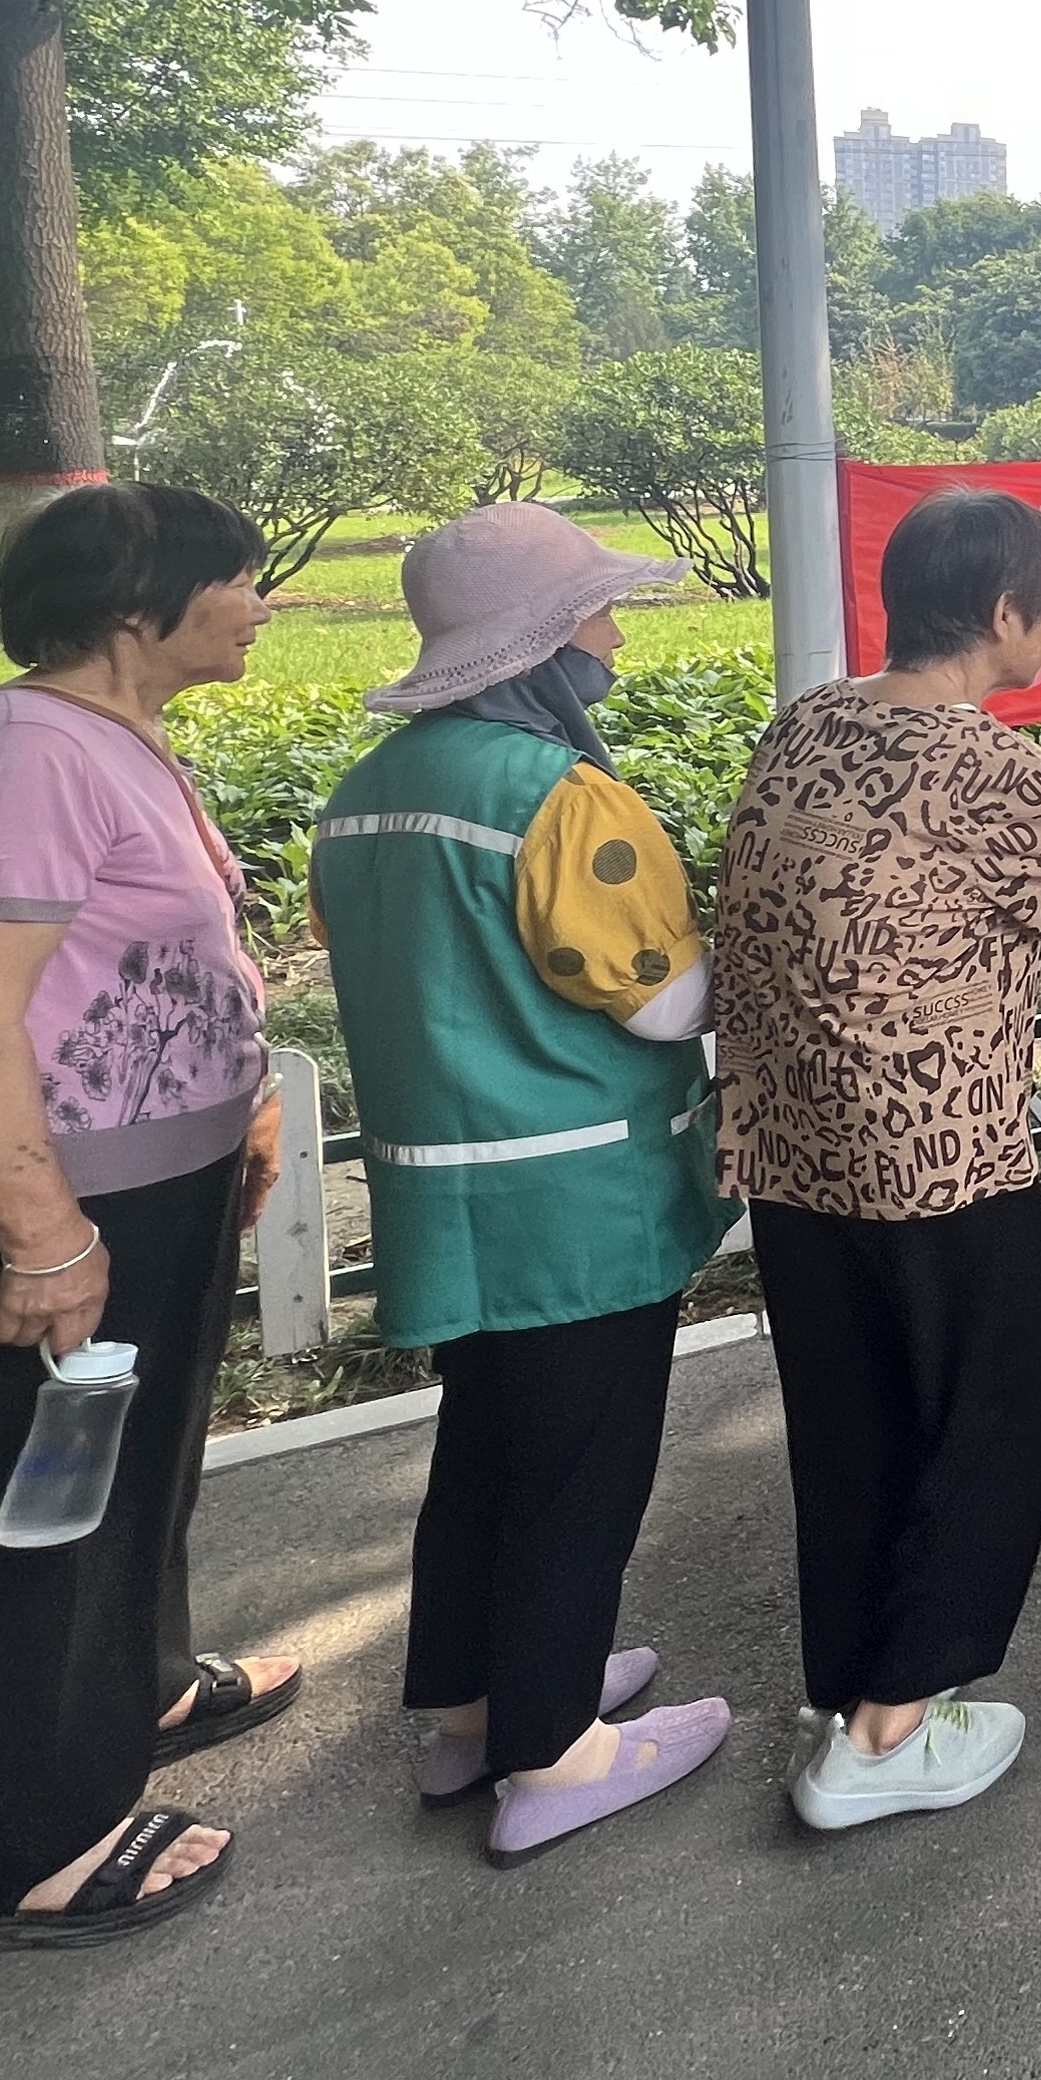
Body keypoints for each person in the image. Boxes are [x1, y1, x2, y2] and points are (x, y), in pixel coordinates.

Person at [712, 490, 1041, 1833]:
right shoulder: (982, 765)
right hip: (927, 1151)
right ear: (1006, 613)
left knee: (856, 1415)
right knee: (1011, 1391)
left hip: (791, 1145)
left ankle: (849, 1691)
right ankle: (889, 1729)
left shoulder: (809, 720)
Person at [0, 484, 302, 1961]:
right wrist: (45, 1239)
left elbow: (157, 964)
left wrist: (240, 1107)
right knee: (35, 1513)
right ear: (131, 603)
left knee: (133, 1473)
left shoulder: (112, 740)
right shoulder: (27, 757)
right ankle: (31, 1846)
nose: (260, 604)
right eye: (238, 579)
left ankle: (137, 1689)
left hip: (144, 1184)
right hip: (53, 1204)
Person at [310, 503, 739, 1861]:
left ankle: (472, 1707)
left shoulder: (368, 789)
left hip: (446, 1200)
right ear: (540, 642)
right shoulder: (562, 797)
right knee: (579, 1472)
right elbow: (665, 1005)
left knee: (486, 1452)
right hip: (577, 1202)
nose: (614, 637)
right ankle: (555, 1751)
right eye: (595, 614)